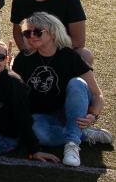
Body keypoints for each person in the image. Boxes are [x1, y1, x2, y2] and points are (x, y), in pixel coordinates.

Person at [12, 12, 111, 167]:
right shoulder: (23, 58)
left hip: (70, 112)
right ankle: (82, 134)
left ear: (53, 32)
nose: (32, 36)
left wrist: (93, 115)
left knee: (77, 83)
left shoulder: (69, 56)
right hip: (40, 115)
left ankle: (72, 144)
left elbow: (96, 94)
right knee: (36, 133)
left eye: (37, 32)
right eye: (27, 33)